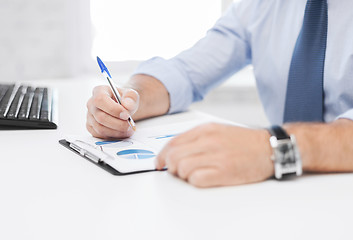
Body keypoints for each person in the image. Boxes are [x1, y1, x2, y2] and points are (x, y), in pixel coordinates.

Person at [86, 0, 353, 187]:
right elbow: (186, 72)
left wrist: (271, 148)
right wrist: (131, 98)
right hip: (287, 193)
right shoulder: (260, 6)